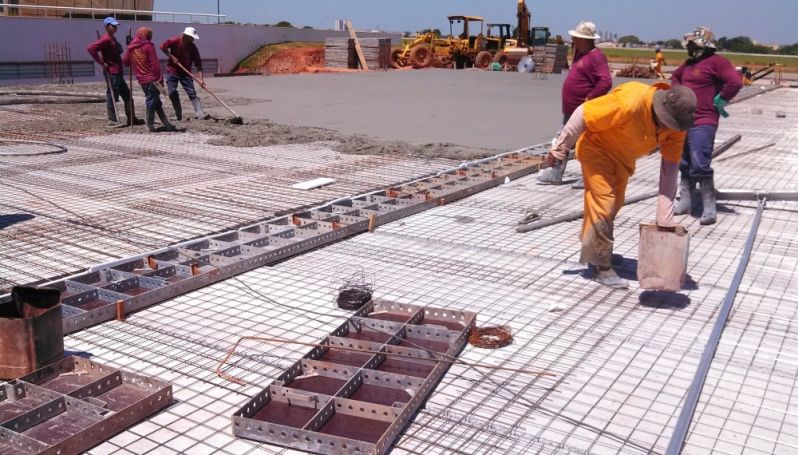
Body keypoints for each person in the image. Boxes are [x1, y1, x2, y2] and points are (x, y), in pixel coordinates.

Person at [540, 82, 696, 289]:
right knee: (603, 203)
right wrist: (559, 149)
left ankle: (596, 247)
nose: (668, 128)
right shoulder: (630, 102)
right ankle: (600, 266)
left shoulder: (677, 126)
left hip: (623, 158)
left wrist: (664, 220)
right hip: (597, 149)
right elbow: (582, 114)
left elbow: (669, 170)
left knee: (614, 205)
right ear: (660, 109)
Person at [671, 26, 742, 225]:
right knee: (684, 163)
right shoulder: (689, 63)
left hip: (704, 120)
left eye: (693, 44)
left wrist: (721, 98)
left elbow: (735, 82)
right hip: (685, 119)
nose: (689, 47)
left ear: (702, 44)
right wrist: (678, 92)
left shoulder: (717, 62)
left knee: (700, 163)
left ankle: (709, 207)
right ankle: (686, 202)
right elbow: (675, 77)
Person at [537, 21, 611, 189]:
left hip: (583, 110)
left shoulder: (596, 57)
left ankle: (587, 177)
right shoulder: (580, 54)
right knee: (564, 141)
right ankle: (556, 173)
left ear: (585, 40)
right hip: (571, 110)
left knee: (580, 143)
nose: (573, 40)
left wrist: (590, 97)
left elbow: (605, 81)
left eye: (576, 38)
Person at [86, 17, 143, 126]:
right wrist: (102, 62)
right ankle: (112, 119)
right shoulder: (105, 39)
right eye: (113, 26)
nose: (115, 27)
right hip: (112, 72)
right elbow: (91, 48)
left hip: (118, 71)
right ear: (107, 27)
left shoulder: (112, 38)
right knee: (112, 94)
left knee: (127, 94)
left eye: (116, 26)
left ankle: (132, 118)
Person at [123, 27, 175, 133]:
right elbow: (155, 64)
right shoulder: (148, 46)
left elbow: (125, 62)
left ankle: (167, 124)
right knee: (151, 101)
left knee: (156, 102)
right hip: (152, 79)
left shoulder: (132, 47)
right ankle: (149, 125)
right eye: (149, 35)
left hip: (142, 80)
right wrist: (159, 79)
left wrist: (129, 47)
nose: (150, 37)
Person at [160, 27, 206, 121]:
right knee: (172, 92)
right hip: (172, 71)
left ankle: (200, 113)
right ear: (186, 36)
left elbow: (198, 64)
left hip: (185, 73)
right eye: (192, 37)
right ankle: (178, 114)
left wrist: (201, 79)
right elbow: (162, 47)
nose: (193, 39)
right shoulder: (174, 40)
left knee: (192, 93)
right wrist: (172, 56)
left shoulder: (193, 47)